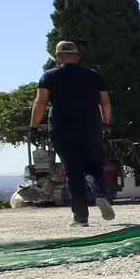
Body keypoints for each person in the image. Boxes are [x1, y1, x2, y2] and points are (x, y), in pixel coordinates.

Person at [29, 40, 115, 227]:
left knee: (73, 171)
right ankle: (100, 194)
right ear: (77, 57)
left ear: (58, 57)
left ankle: (80, 218)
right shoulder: (93, 76)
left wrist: (33, 128)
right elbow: (105, 102)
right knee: (94, 166)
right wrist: (106, 124)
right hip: (90, 127)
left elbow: (40, 103)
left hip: (62, 128)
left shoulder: (49, 76)